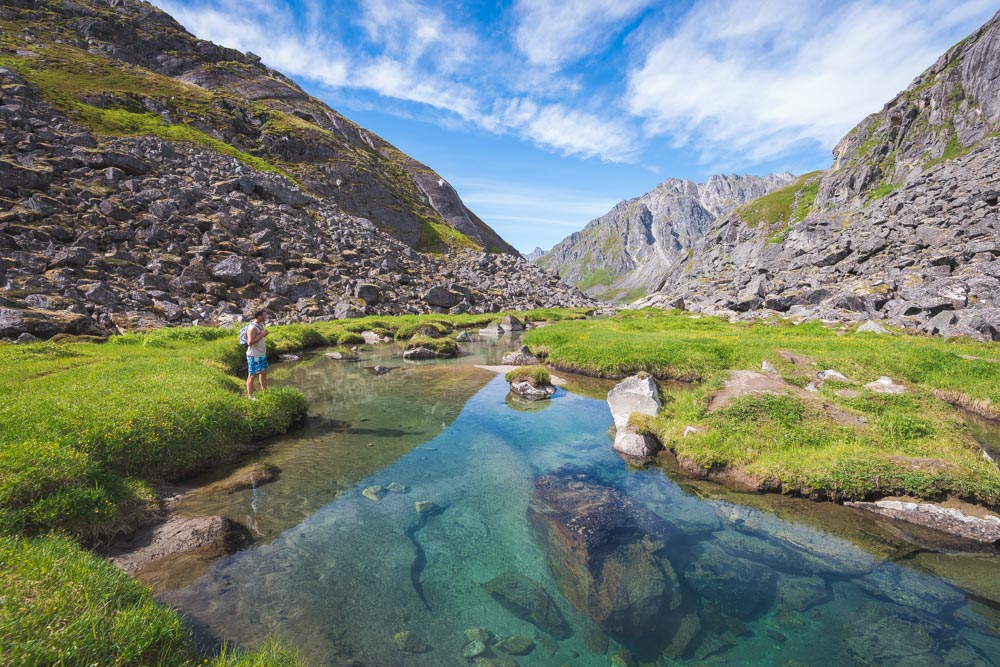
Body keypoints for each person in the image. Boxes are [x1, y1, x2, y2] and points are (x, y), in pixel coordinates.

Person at [245, 309, 269, 399]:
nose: (265, 317)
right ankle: (250, 396)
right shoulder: (252, 328)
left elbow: (258, 338)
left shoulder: (259, 325)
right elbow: (250, 342)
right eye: (264, 315)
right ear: (258, 316)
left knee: (263, 373)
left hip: (261, 355)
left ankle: (265, 392)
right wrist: (262, 334)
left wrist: (263, 334)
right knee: (252, 375)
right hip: (254, 355)